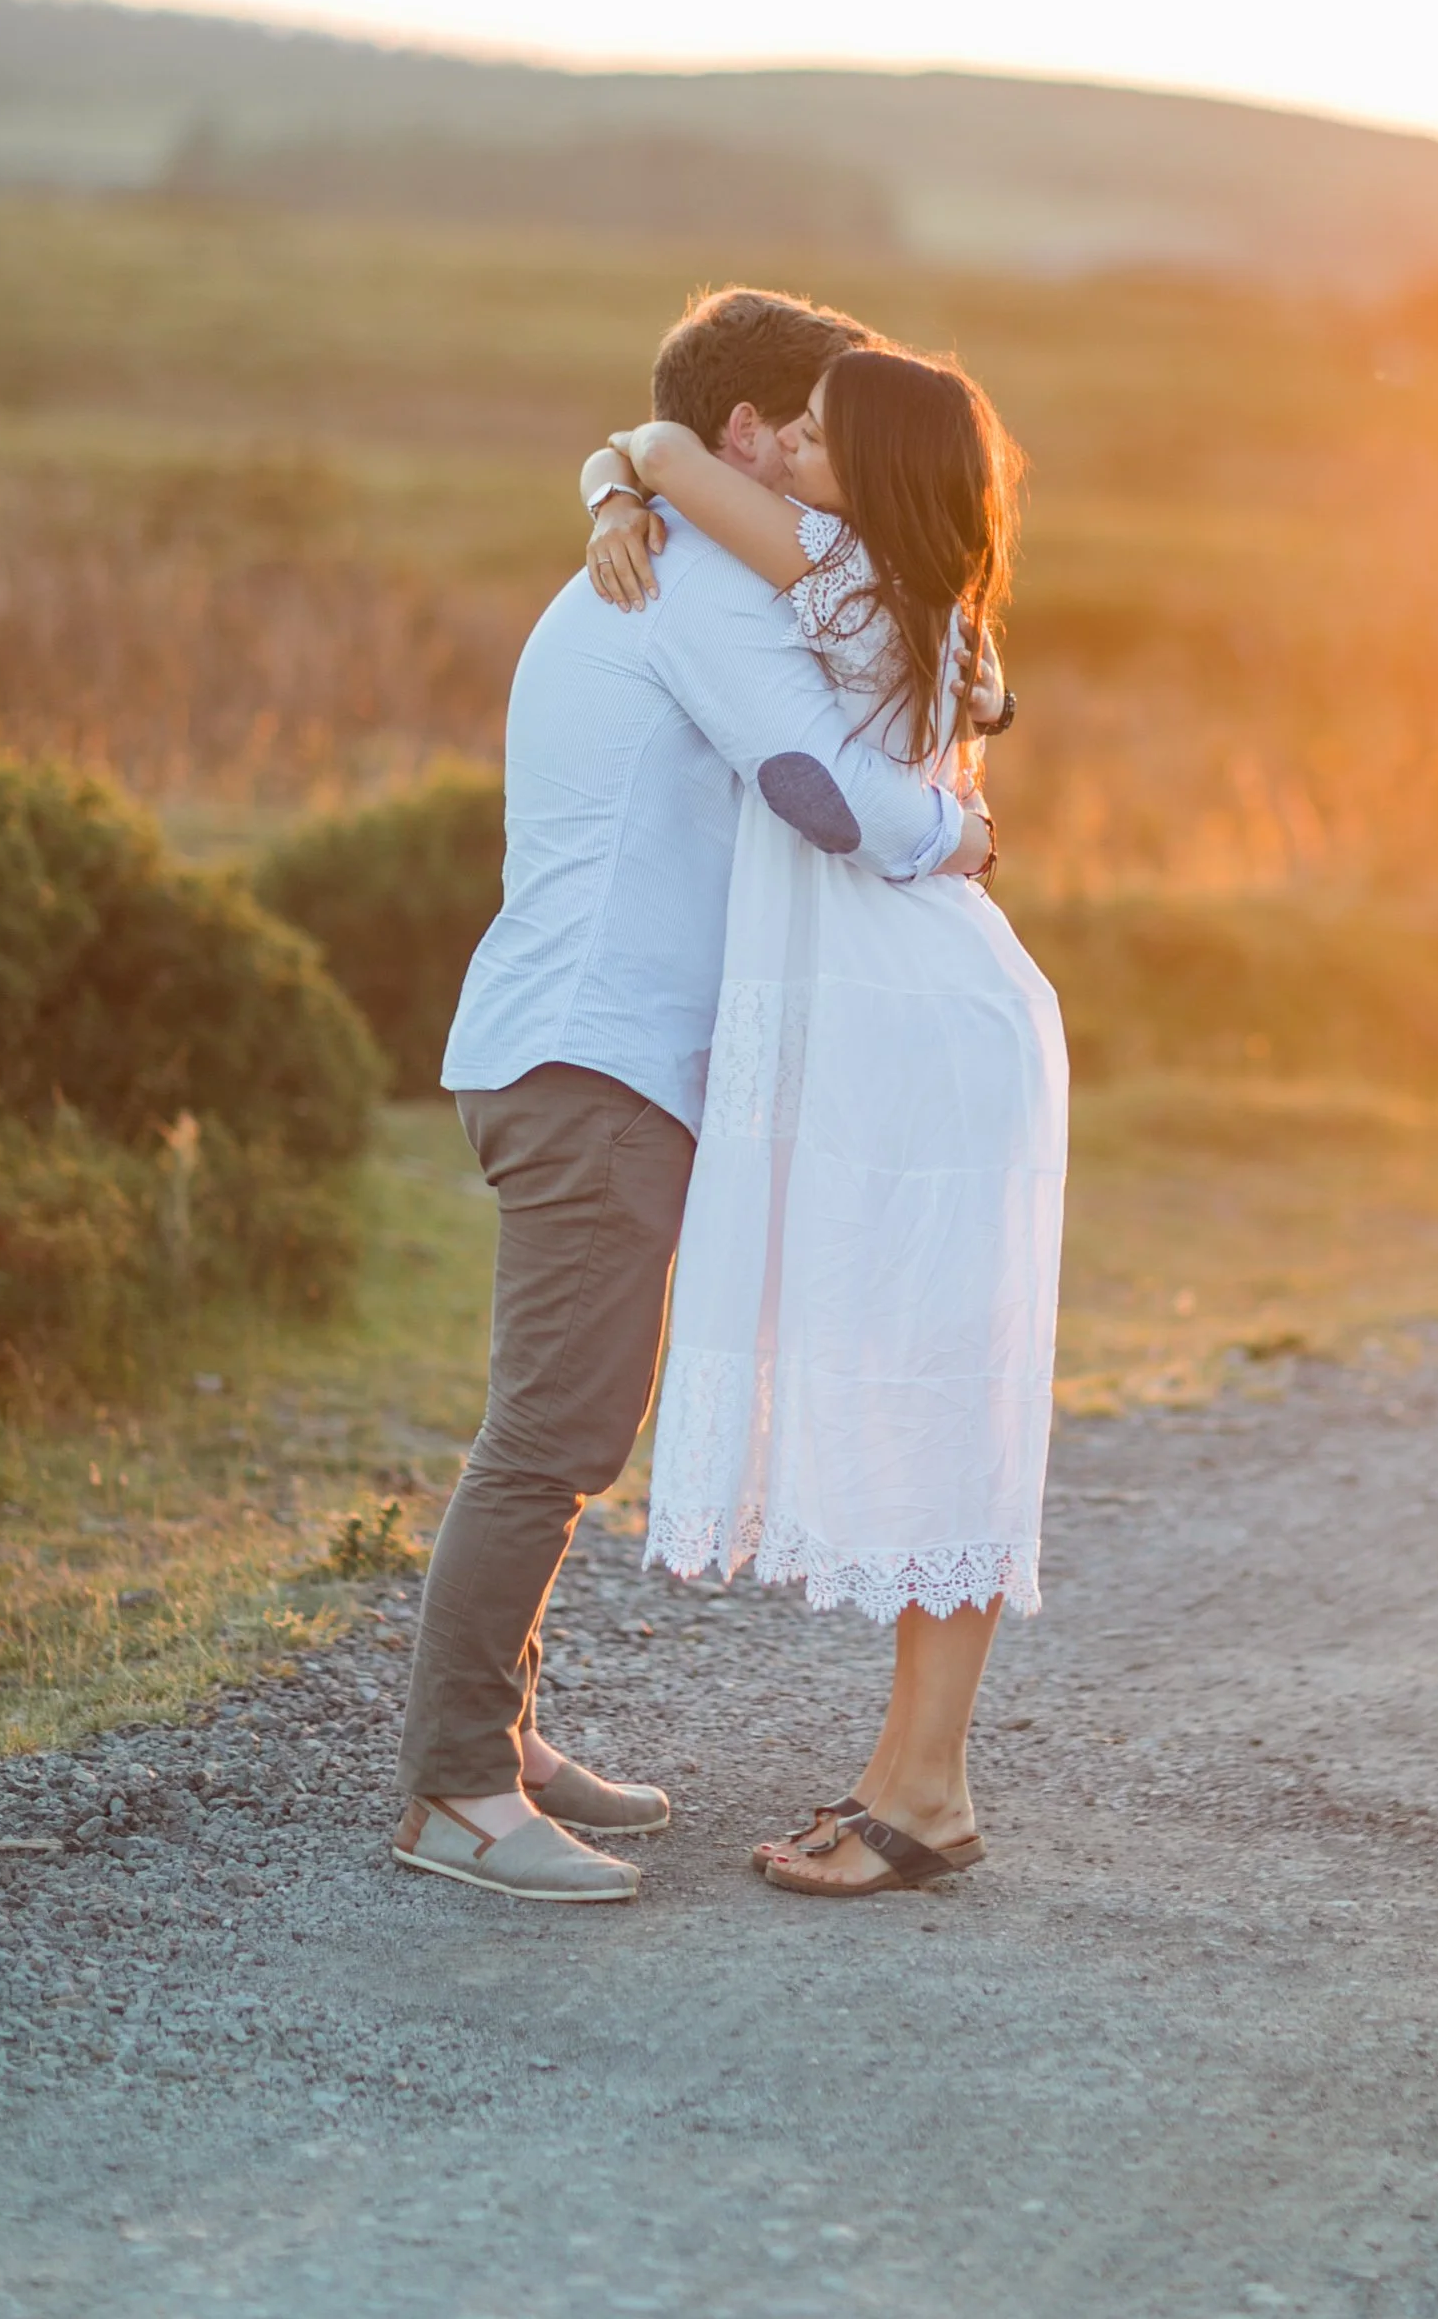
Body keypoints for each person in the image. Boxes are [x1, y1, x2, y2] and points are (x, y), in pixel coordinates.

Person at [392, 290, 997, 1905]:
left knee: (577, 1422)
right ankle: (454, 1787)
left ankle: (499, 1737)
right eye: (807, 423)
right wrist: (955, 836)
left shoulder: (680, 544)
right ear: (748, 439)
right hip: (592, 1055)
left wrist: (618, 465)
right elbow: (812, 792)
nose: (818, 451)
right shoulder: (700, 579)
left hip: (604, 1055)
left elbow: (924, 666)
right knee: (554, 1431)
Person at [581, 342, 1067, 1899]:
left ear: (875, 475)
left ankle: (924, 1793)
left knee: (935, 1381)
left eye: (816, 429)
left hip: (915, 1031)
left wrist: (629, 462)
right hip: (930, 1014)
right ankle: (919, 1780)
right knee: (942, 1378)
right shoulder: (923, 597)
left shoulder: (847, 574)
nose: (783, 441)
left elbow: (666, 445)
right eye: (785, 423)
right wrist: (614, 476)